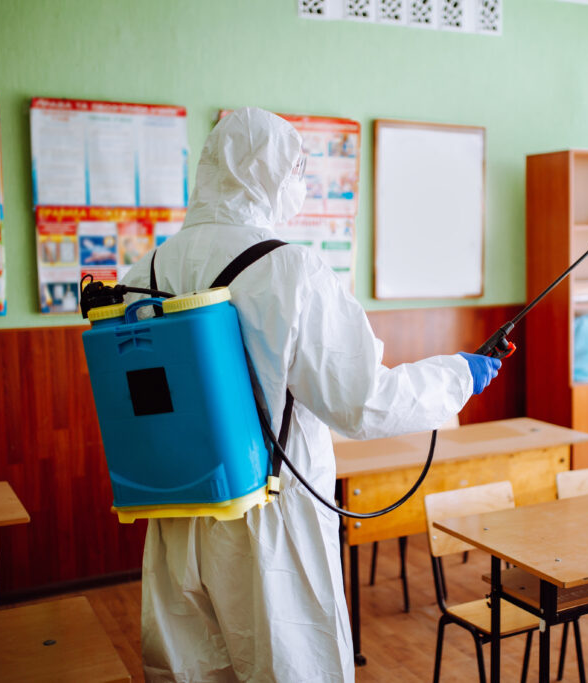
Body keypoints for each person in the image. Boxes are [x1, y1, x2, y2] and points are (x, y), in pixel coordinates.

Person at [120, 107, 501, 682]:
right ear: (266, 173)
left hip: (176, 515)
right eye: (296, 168)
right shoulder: (290, 270)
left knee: (190, 671)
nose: (301, 184)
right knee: (290, 667)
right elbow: (363, 402)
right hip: (272, 526)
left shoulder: (141, 271)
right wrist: (459, 376)